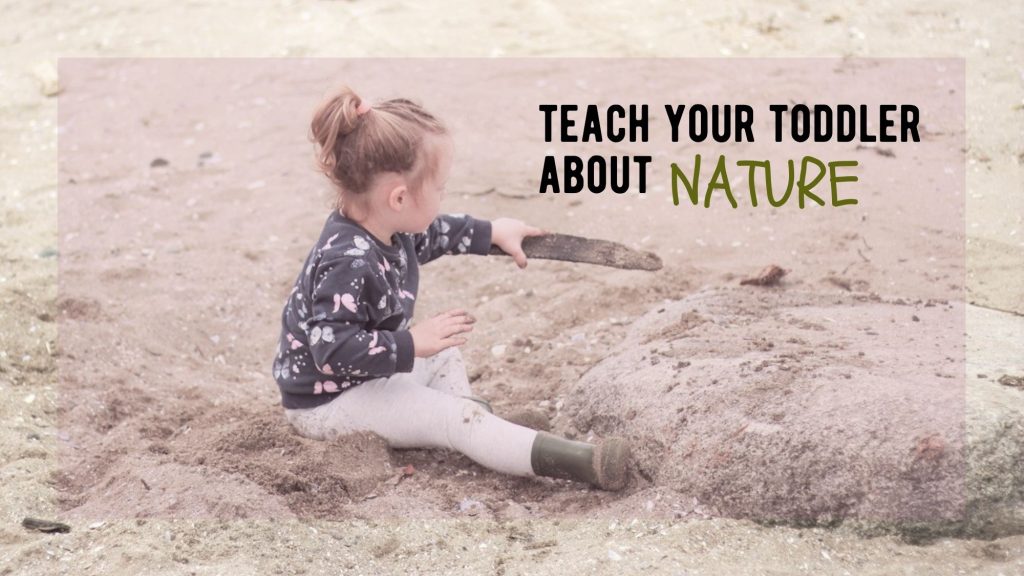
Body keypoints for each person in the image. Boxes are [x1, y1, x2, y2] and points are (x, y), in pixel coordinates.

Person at [271, 86, 629, 491]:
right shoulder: (348, 261)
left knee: (445, 352)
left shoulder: (385, 226)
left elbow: (438, 232)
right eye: (439, 188)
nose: (443, 197)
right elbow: (331, 349)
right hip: (330, 403)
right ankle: (583, 462)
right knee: (454, 419)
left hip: (367, 376)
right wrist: (409, 343)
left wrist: (494, 232)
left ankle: (479, 430)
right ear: (400, 197)